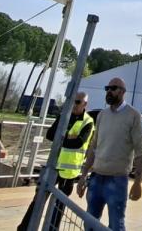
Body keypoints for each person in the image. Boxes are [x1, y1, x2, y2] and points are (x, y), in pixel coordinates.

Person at [78, 78, 142, 231]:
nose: (109, 91)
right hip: (96, 178)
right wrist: (83, 175)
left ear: (122, 92)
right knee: (89, 224)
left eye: (113, 88)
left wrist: (137, 182)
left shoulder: (133, 115)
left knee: (116, 225)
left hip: (117, 180)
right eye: (107, 88)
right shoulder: (102, 115)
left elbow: (140, 151)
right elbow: (94, 146)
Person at [43, 92, 94, 231]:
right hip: (53, 165)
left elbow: (78, 143)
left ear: (85, 104)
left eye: (77, 102)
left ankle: (52, 229)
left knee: (59, 205)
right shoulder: (64, 115)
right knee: (39, 197)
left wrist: (61, 138)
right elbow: (49, 134)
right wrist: (67, 137)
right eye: (72, 101)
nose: (74, 105)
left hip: (69, 171)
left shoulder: (88, 121)